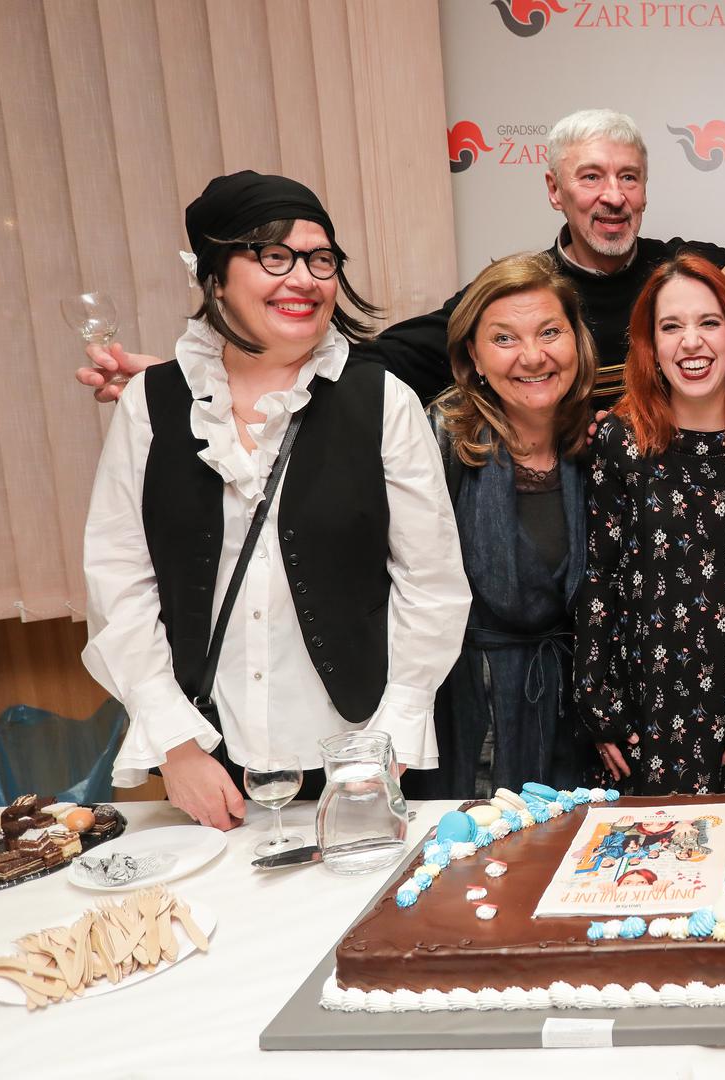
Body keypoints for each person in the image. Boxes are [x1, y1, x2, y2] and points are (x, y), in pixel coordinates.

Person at [81, 171, 469, 830]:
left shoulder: (382, 403)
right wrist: (177, 748)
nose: (305, 278)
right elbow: (120, 578)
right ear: (214, 277)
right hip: (208, 761)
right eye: (272, 256)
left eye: (320, 259)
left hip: (359, 757)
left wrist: (392, 743)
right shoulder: (152, 405)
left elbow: (430, 584)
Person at [77, 109, 725, 408]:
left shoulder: (682, 275)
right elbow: (376, 361)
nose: (613, 197)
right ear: (553, 188)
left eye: (629, 177)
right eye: (590, 177)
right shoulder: (516, 295)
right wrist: (204, 371)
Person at [575, 255, 725, 795]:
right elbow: (599, 577)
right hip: (638, 717)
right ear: (651, 346)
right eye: (671, 327)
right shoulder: (620, 442)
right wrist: (599, 703)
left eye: (709, 323)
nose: (690, 341)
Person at [408, 252, 599, 799]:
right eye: (505, 339)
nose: (533, 356)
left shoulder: (602, 442)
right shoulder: (439, 439)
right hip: (468, 708)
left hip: (575, 712)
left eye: (549, 332)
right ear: (473, 354)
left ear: (576, 341)